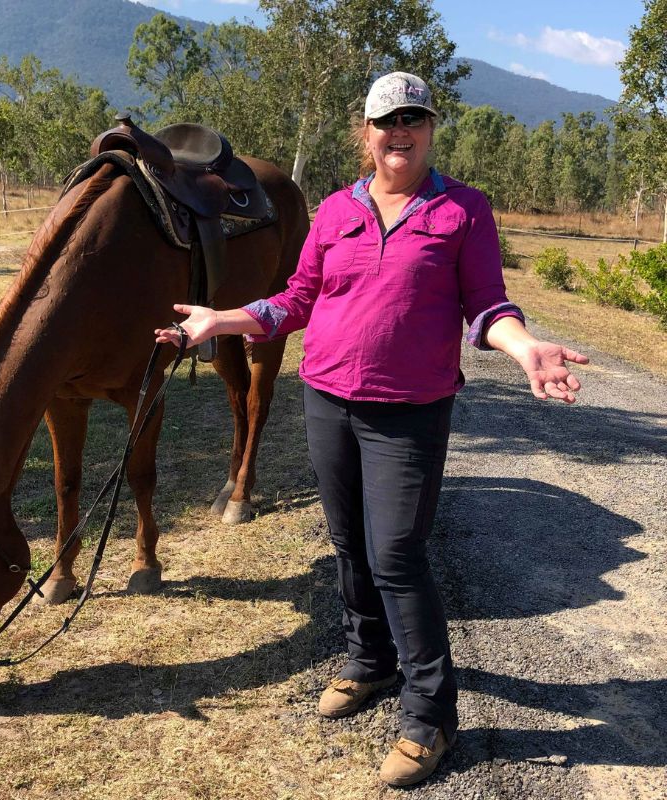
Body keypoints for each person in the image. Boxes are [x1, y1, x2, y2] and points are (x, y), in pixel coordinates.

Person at [156, 72, 588, 787]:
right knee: (348, 543)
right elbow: (297, 299)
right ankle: (369, 661)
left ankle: (431, 717)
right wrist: (220, 320)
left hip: (410, 412)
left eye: (413, 118)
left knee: (397, 556)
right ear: (366, 132)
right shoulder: (334, 211)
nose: (400, 131)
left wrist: (523, 348)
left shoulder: (462, 210)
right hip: (327, 398)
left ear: (429, 129)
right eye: (387, 120)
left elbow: (486, 306)